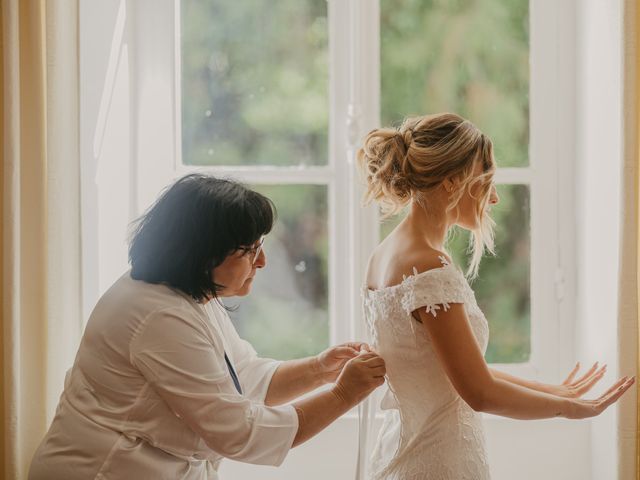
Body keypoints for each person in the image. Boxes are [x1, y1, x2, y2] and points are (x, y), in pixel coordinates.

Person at [29, 174, 386, 480]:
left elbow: (241, 377)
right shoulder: (158, 316)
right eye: (250, 250)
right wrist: (343, 395)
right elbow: (238, 432)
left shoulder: (188, 292)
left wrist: (318, 370)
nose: (262, 261)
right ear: (204, 253)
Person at [357, 113, 635, 480]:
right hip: (440, 463)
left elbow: (457, 372)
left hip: (401, 452)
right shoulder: (428, 264)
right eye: (486, 182)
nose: (495, 197)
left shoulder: (385, 254)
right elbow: (480, 392)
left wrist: (557, 390)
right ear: (454, 181)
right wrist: (568, 410)